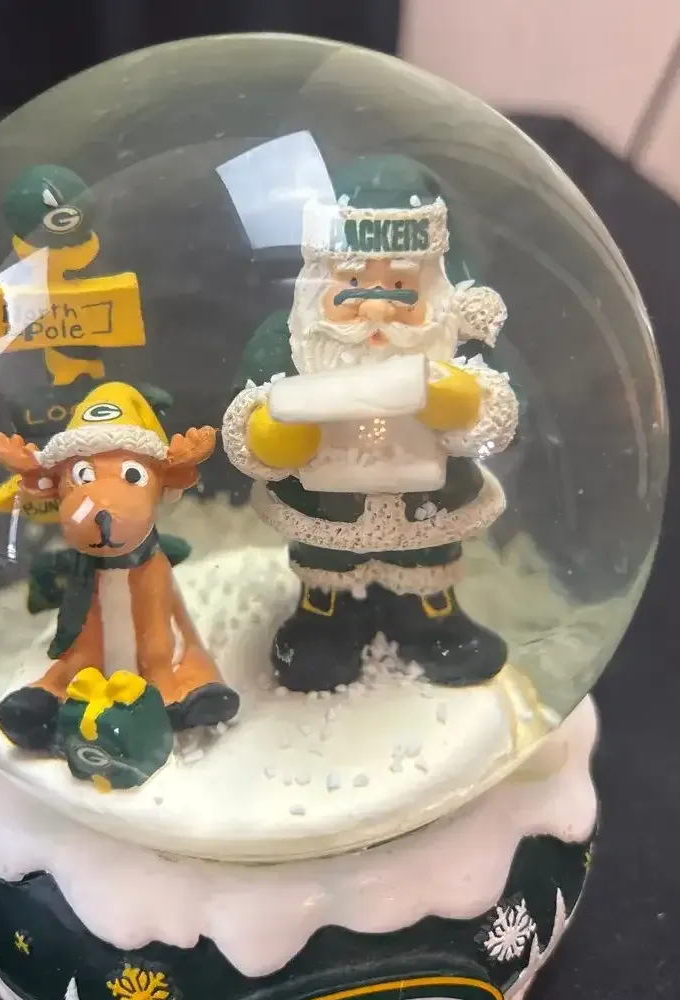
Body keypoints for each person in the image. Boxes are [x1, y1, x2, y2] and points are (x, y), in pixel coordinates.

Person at [222, 156, 518, 693]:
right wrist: (275, 436)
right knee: (327, 564)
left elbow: (496, 408)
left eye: (400, 286)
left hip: (427, 502)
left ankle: (431, 618)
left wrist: (457, 403)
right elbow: (246, 417)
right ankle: (325, 619)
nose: (377, 310)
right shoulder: (287, 344)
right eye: (354, 284)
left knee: (427, 557)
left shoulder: (453, 337)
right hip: (326, 504)